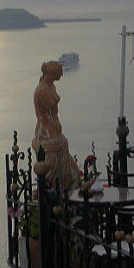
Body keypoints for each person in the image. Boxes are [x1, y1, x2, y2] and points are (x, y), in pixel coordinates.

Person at [33, 60, 82, 190]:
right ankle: (54, 188)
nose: (62, 75)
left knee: (66, 158)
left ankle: (67, 183)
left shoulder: (51, 87)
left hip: (54, 129)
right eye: (59, 72)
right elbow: (50, 108)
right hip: (46, 131)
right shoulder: (42, 90)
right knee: (51, 166)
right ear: (52, 73)